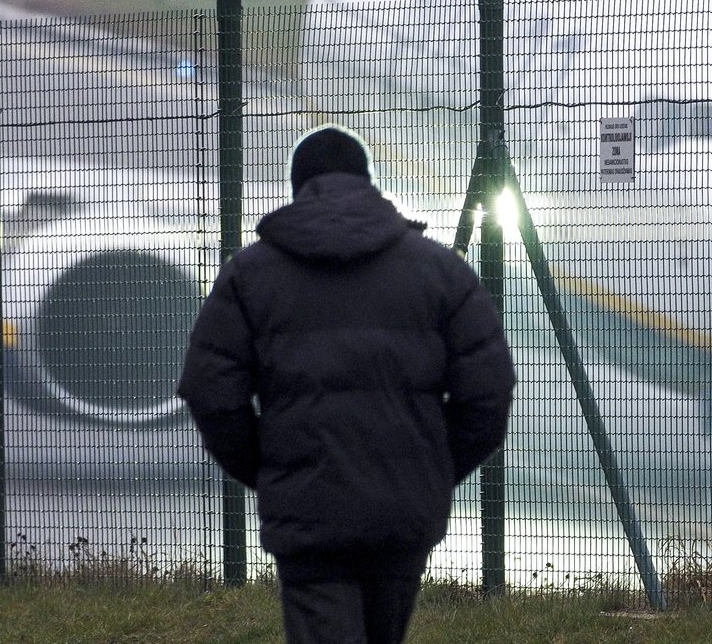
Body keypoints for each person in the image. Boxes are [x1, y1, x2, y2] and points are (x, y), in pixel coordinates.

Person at [177, 124, 515, 644]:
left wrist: (270, 468)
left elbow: (209, 388)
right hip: (401, 512)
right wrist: (431, 467)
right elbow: (488, 393)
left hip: (307, 512)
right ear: (369, 182)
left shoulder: (249, 273)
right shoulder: (441, 271)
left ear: (297, 189)